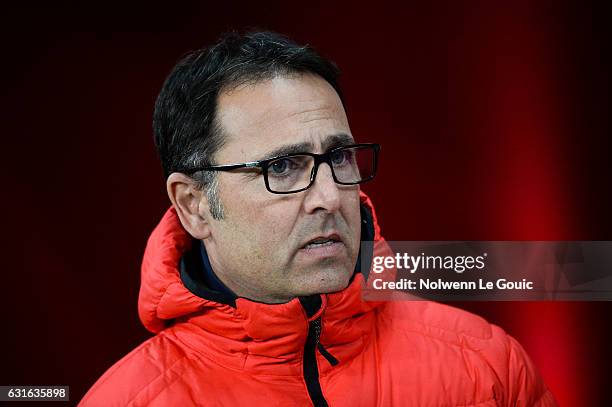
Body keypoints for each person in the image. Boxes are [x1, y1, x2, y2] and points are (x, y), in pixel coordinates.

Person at [79, 31, 557, 406]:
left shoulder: (487, 365)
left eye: (340, 156)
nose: (329, 195)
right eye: (281, 167)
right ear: (193, 204)